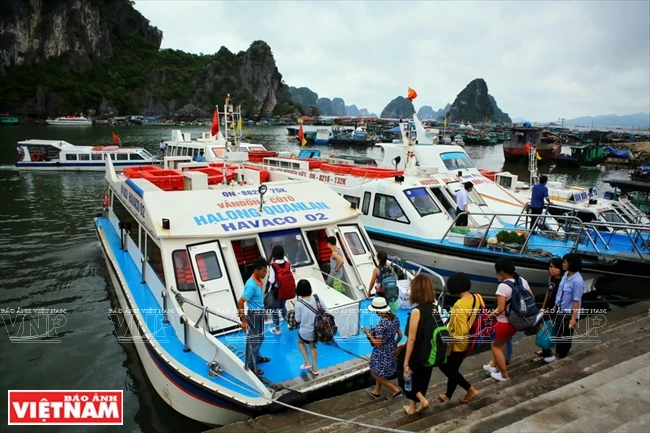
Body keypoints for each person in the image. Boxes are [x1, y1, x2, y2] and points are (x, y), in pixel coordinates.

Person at [483, 257, 533, 382]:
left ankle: (504, 375)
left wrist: (489, 317)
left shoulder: (503, 287)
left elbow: (500, 309)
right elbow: (530, 296)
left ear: (501, 272)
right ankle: (493, 366)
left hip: (503, 323)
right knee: (501, 343)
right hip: (515, 322)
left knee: (495, 346)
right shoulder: (522, 280)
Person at [438, 272, 480, 404]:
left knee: (445, 367)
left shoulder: (459, 306)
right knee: (454, 370)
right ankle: (448, 396)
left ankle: (470, 389)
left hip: (458, 344)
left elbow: (459, 334)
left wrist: (449, 346)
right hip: (469, 340)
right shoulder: (477, 297)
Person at [399, 274, 437, 415]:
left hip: (417, 352)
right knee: (422, 378)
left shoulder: (417, 311)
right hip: (430, 350)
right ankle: (411, 407)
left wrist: (405, 363)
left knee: (405, 378)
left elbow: (412, 339)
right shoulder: (434, 308)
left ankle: (423, 400)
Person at [363, 297, 403, 399]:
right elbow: (400, 335)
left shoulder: (381, 325)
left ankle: (395, 390)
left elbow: (378, 344)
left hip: (382, 352)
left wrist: (368, 333)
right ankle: (376, 391)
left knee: (375, 372)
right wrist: (394, 344)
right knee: (380, 371)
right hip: (392, 348)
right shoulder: (395, 318)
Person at [548, 253, 585, 362]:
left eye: (565, 262)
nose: (563, 264)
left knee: (565, 336)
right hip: (561, 310)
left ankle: (561, 355)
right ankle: (557, 353)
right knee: (559, 333)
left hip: (569, 313)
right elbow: (560, 292)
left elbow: (576, 300)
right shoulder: (566, 275)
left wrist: (573, 318)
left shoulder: (577, 281)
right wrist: (555, 306)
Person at [237, 258, 271, 376]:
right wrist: (243, 321)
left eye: (266, 271)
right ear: (256, 270)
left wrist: (264, 311)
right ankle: (251, 365)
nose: (265, 273)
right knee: (254, 341)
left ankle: (257, 357)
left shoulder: (259, 281)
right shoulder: (251, 285)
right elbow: (240, 302)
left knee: (260, 338)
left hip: (259, 313)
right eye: (263, 271)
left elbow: (258, 299)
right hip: (254, 315)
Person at [532, 257, 564, 362]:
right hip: (548, 307)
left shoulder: (563, 282)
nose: (552, 269)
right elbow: (548, 293)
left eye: (555, 267)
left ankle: (547, 352)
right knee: (542, 327)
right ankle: (544, 349)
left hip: (556, 309)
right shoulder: (551, 278)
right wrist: (543, 306)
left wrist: (555, 309)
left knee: (549, 330)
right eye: (550, 267)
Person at [294, 279, 325, 375]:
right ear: (310, 289)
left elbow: (297, 320)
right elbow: (325, 310)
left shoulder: (299, 304)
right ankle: (315, 368)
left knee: (300, 341)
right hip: (317, 330)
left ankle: (307, 362)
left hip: (305, 332)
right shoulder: (317, 298)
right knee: (313, 346)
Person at [267, 245, 295, 335]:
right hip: (286, 290)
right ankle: (289, 323)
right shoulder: (288, 264)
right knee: (282, 306)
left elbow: (271, 280)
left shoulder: (273, 266)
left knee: (274, 310)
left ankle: (277, 329)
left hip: (276, 291)